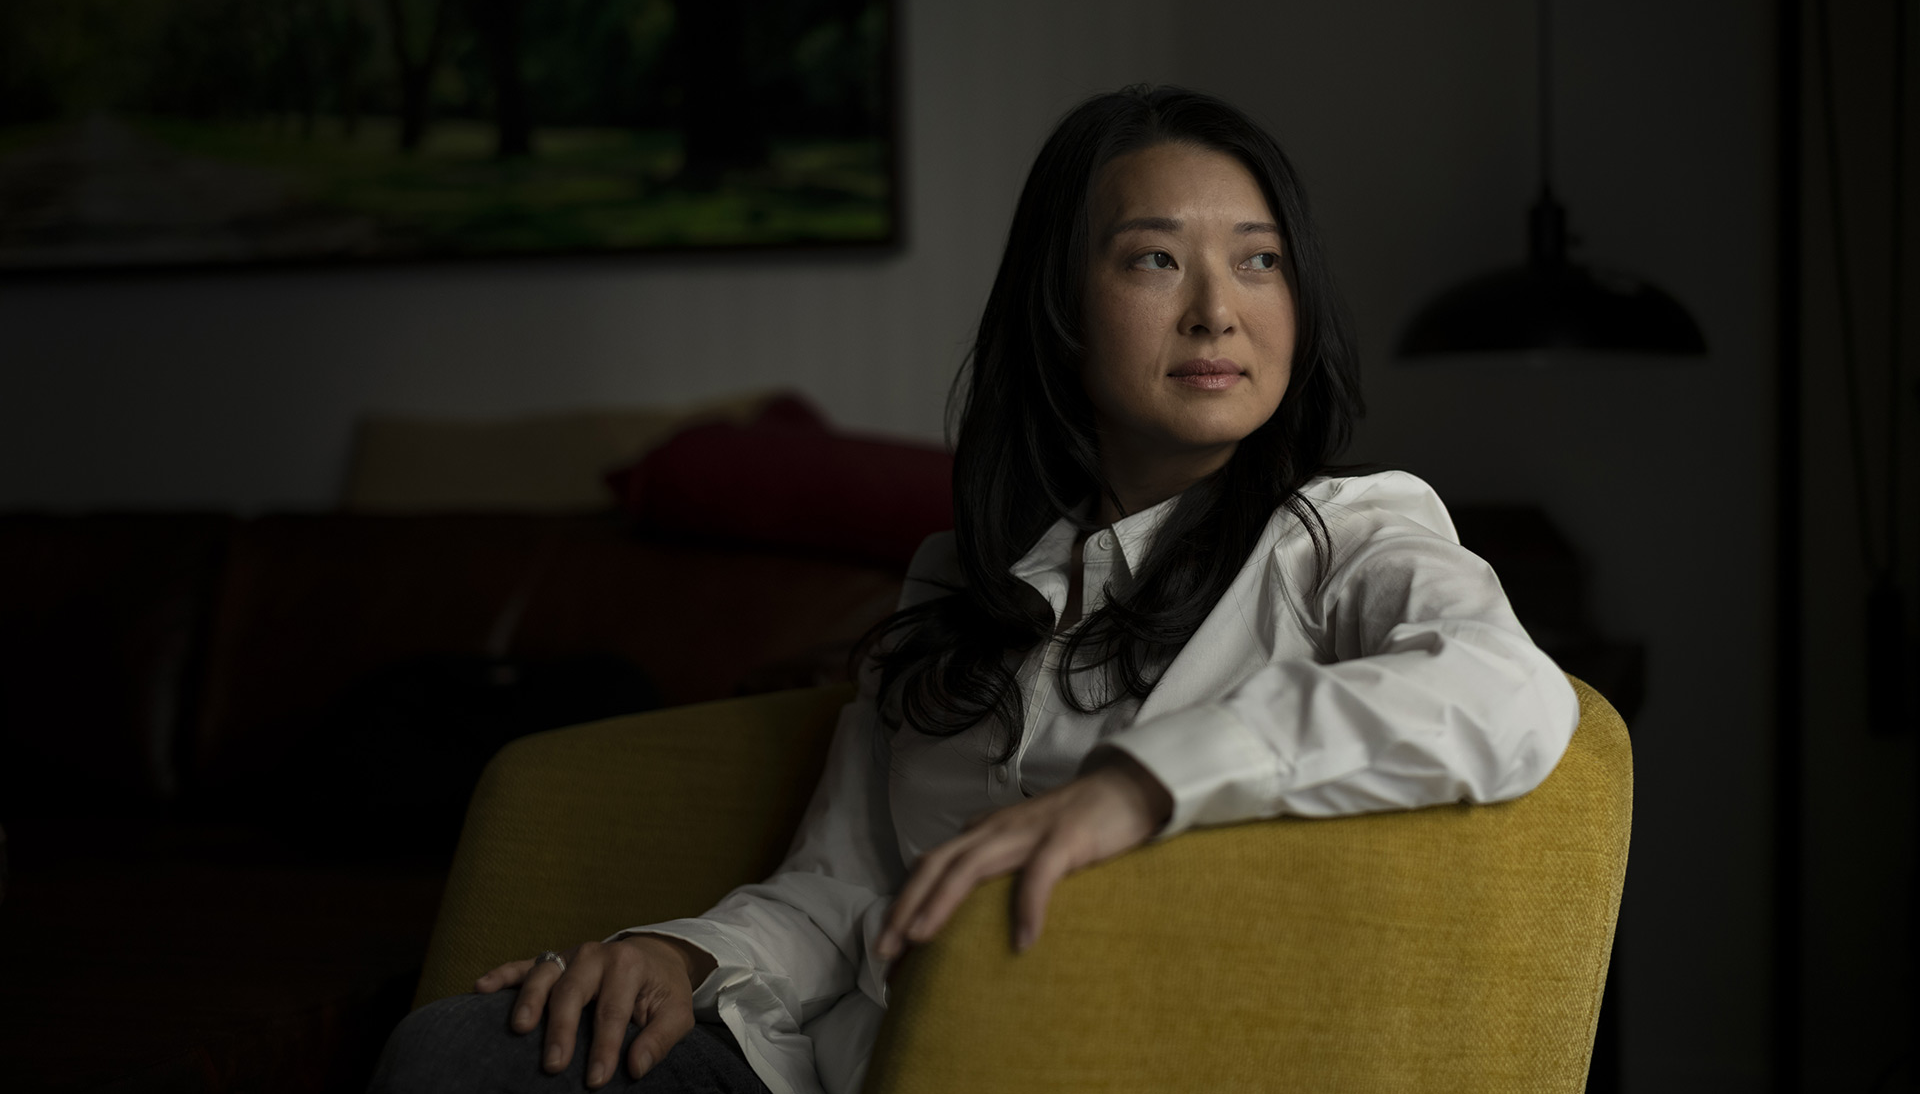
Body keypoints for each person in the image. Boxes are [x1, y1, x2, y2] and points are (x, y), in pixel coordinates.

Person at [368, 85, 1581, 1094]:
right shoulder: (959, 577)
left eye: (1259, 261)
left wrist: (1140, 787)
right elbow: (846, 888)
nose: (1219, 309)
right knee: (463, 1054)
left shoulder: (1345, 535)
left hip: (1092, 1062)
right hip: (851, 1062)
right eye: (1156, 257)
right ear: (1061, 307)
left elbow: (1507, 697)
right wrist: (679, 957)